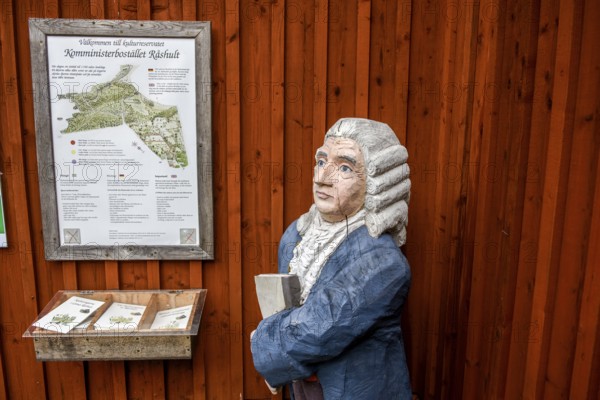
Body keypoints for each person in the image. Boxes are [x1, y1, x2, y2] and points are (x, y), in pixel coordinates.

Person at [251, 118, 412, 399]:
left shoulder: (383, 263)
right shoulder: (296, 235)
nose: (322, 177)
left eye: (345, 167)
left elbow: (319, 327)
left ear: (375, 182)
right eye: (322, 161)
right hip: (303, 385)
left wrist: (262, 341)